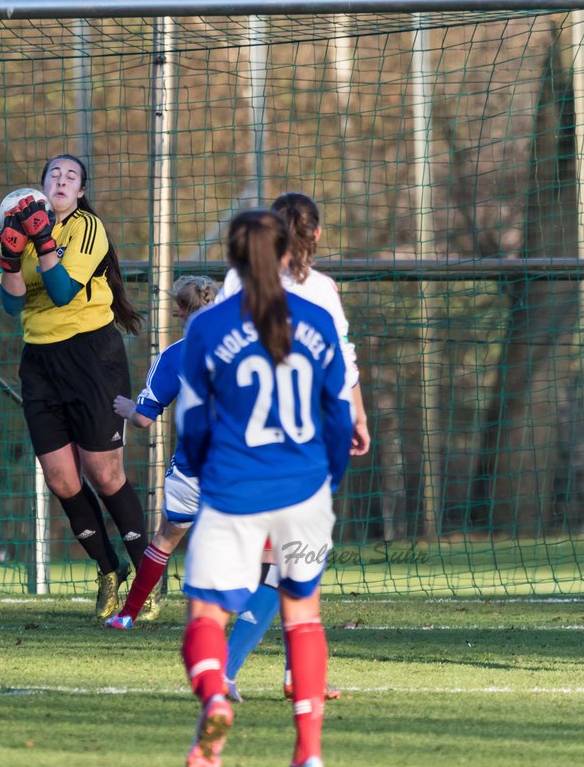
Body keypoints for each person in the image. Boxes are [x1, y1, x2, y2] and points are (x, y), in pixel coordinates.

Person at [177, 209, 353, 767]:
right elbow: (339, 418)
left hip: (233, 491)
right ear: (287, 256)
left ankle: (214, 699)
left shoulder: (204, 328)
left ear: (231, 259)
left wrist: (209, 479)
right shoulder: (318, 319)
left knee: (205, 618)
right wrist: (325, 484)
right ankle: (308, 753)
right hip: (304, 495)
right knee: (303, 617)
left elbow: (194, 422)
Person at [217, 192, 369, 702]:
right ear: (316, 235)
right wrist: (357, 413)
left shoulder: (239, 279)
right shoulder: (322, 289)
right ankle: (233, 669)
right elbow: (342, 359)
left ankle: (291, 675)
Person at [0, 153, 148, 622]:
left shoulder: (86, 228)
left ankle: (148, 578)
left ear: (81, 191)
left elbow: (62, 292)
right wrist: (9, 254)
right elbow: (10, 303)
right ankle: (109, 570)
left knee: (104, 475)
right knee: (61, 479)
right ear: (41, 187)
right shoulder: (15, 227)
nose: (61, 181)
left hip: (92, 357)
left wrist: (42, 240)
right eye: (53, 175)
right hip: (40, 361)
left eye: (71, 177)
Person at [102, 275, 220, 628]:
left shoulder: (175, 356)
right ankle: (258, 614)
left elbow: (142, 419)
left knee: (166, 539)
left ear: (180, 311)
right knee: (257, 540)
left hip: (192, 467)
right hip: (240, 465)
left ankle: (127, 615)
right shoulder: (246, 348)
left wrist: (127, 408)